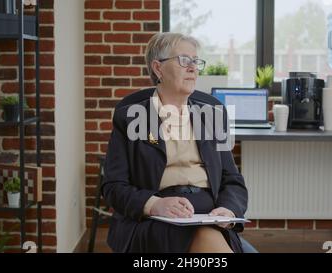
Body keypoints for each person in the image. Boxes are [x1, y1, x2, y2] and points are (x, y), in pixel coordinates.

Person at [101, 32, 248, 253]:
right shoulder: (131, 117)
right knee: (205, 237)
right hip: (155, 220)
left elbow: (232, 179)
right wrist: (154, 205)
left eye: (196, 61)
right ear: (158, 68)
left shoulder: (212, 115)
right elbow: (113, 187)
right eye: (184, 60)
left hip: (208, 214)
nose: (193, 68)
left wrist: (228, 209)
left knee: (206, 233)